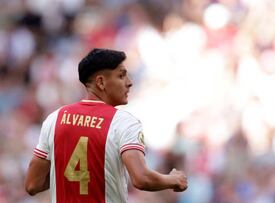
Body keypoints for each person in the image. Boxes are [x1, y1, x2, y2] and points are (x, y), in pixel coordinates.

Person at [24, 48, 188, 202]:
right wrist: (173, 179)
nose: (129, 82)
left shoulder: (54, 119)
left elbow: (33, 184)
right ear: (101, 82)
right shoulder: (124, 123)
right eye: (122, 75)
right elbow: (141, 179)